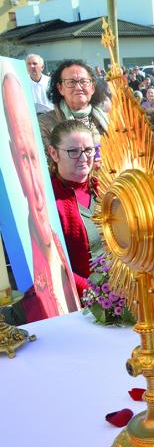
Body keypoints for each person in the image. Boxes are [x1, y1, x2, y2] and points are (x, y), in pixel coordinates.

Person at [3, 70, 80, 322]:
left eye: (34, 158)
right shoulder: (22, 259)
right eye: (24, 159)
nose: (35, 182)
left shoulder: (56, 237)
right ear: (13, 160)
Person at [46, 120, 106, 298]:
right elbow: (55, 267)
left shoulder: (103, 189)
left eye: (88, 150)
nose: (83, 157)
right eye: (73, 151)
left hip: (118, 294)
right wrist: (98, 295)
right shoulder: (49, 201)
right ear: (53, 153)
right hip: (81, 302)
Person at [38, 59, 108, 149]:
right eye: (71, 82)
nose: (78, 87)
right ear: (60, 88)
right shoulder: (44, 124)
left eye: (84, 82)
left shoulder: (107, 119)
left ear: (92, 87)